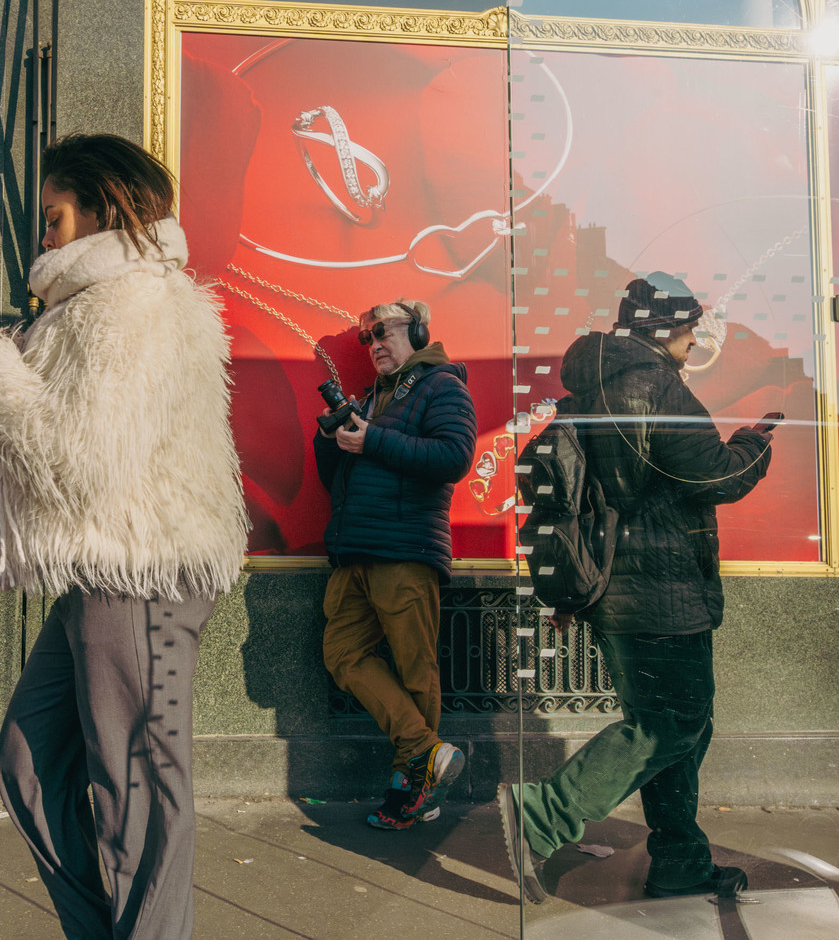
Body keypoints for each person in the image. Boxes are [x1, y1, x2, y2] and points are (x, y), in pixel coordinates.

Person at [0, 133, 248, 940]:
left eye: (53, 217)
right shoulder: (99, 306)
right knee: (28, 760)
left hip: (140, 573)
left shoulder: (134, 304)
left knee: (137, 794)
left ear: (101, 207)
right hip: (103, 572)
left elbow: (83, 460)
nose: (44, 237)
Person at [499, 271, 774, 904]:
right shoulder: (657, 388)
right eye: (688, 330)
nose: (692, 342)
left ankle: (679, 859)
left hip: (609, 591)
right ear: (667, 330)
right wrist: (751, 445)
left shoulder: (588, 389)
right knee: (670, 723)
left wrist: (570, 594)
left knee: (675, 724)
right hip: (661, 589)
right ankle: (542, 814)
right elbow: (715, 479)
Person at [314, 299, 478, 829]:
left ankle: (412, 789)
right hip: (356, 548)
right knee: (341, 653)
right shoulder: (373, 397)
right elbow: (338, 479)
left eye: (383, 331)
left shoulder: (442, 386)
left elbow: (454, 457)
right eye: (367, 337)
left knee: (415, 671)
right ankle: (426, 751)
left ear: (420, 330)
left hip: (405, 551)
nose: (374, 344)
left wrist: (374, 439)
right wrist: (330, 440)